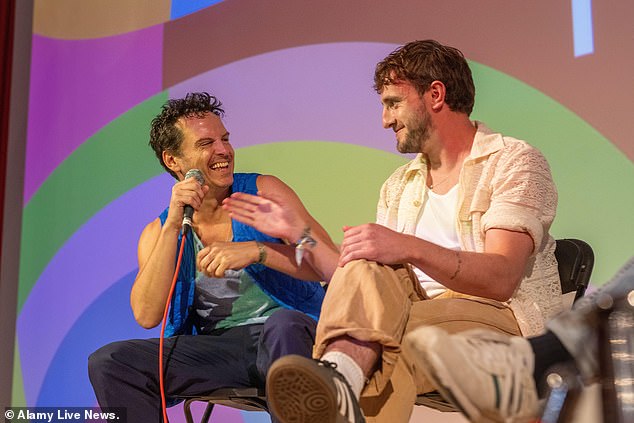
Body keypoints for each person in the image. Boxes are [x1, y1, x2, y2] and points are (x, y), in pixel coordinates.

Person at [224, 39, 562, 423]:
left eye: (393, 103)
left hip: (501, 319)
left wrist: (407, 247)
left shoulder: (513, 161)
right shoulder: (401, 184)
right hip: (414, 313)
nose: (385, 120)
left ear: (435, 94)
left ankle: (341, 379)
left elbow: (501, 279)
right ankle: (340, 375)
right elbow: (352, 281)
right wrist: (298, 232)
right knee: (368, 273)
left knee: (385, 342)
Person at [88, 92, 338, 422]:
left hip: (290, 335)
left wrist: (258, 251)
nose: (223, 151)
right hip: (221, 351)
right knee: (110, 362)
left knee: (283, 324)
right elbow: (147, 315)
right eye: (206, 143)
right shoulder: (159, 231)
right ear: (173, 161)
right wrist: (174, 223)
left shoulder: (264, 191)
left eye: (225, 139)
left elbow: (330, 263)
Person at [404, 256, 634, 422]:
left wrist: (409, 248)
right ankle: (537, 365)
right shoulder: (397, 192)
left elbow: (500, 278)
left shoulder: (516, 188)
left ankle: (534, 366)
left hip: (491, 308)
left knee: (392, 347)